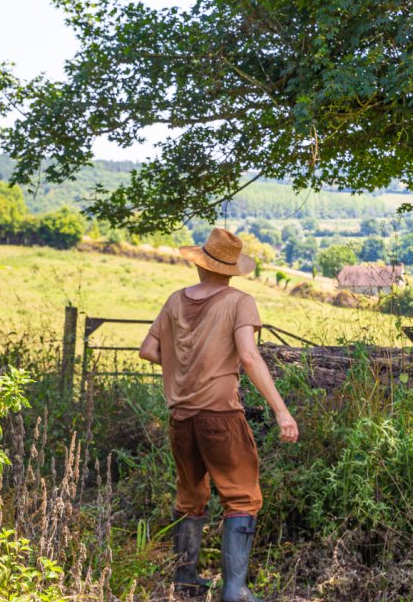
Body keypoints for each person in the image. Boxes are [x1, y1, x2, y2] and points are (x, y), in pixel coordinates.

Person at [138, 227, 299, 602]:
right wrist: (282, 411)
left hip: (181, 417)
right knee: (242, 497)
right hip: (220, 416)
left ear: (201, 265)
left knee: (190, 496)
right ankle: (234, 590)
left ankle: (186, 581)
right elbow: (248, 355)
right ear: (231, 269)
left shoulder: (175, 300)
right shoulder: (240, 301)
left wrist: (185, 368)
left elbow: (148, 350)